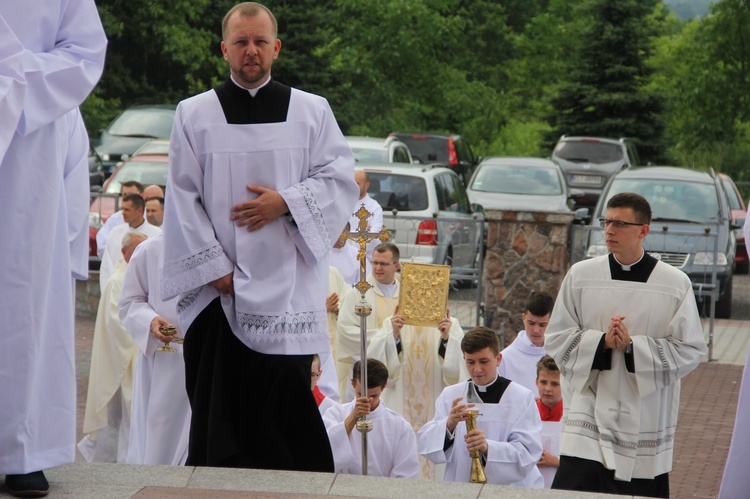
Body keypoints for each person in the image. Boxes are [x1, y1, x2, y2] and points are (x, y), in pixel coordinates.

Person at [159, 2, 358, 471]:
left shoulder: (312, 111)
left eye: (260, 42)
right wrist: (214, 269)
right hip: (218, 293)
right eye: (242, 42)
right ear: (224, 48)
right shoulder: (194, 114)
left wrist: (284, 202)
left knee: (285, 415)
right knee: (218, 412)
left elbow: (340, 180)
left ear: (277, 48)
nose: (251, 51)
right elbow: (182, 197)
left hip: (288, 288)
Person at [0, 3, 106, 496]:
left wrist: (13, 77)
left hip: (30, 142)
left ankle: (24, 449)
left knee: (25, 294)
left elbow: (86, 51)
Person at [546, 192, 707, 497]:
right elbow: (557, 336)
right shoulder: (581, 276)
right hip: (588, 411)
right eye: (606, 222)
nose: (609, 230)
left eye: (619, 224)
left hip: (644, 413)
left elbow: (690, 349)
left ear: (643, 230)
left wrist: (634, 348)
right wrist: (601, 343)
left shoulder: (674, 284)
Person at [417, 327, 544, 487]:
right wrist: (449, 425)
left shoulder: (521, 398)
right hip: (461, 484)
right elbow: (426, 445)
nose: (477, 369)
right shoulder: (451, 395)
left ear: (498, 359)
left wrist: (488, 448)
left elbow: (528, 453)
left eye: (484, 361)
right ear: (464, 358)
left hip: (505, 490)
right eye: (470, 362)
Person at [118, 234, 191, 466]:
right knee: (159, 434)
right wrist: (150, 320)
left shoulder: (222, 247)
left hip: (211, 355)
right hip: (165, 357)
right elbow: (130, 302)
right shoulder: (149, 250)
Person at [79, 232, 148, 464]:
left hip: (132, 356)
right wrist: (147, 329)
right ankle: (120, 460)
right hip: (124, 359)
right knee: (121, 417)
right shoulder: (118, 280)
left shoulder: (133, 275)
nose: (141, 255)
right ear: (124, 252)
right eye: (137, 250)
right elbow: (117, 323)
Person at [323, 359, 419, 478]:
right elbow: (326, 451)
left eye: (373, 395)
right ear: (352, 383)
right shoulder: (335, 414)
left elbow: (406, 473)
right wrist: (353, 416)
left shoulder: (400, 427)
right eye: (360, 394)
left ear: (383, 386)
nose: (367, 401)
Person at [336, 243, 401, 400]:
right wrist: (386, 336)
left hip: (397, 368)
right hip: (366, 370)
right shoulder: (358, 293)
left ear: (396, 266)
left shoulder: (407, 294)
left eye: (384, 264)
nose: (378, 268)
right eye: (375, 262)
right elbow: (345, 331)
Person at [99, 193, 162, 293]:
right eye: (122, 209)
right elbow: (106, 265)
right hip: (117, 290)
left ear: (140, 211)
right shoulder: (115, 233)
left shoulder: (157, 235)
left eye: (127, 210)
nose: (123, 213)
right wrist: (107, 290)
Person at [497, 291, 554, 393]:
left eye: (542, 325)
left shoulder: (559, 354)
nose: (536, 330)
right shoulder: (505, 359)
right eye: (531, 323)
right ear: (523, 318)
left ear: (552, 320)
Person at [96, 181, 157, 257]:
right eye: (124, 195)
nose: (127, 198)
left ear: (142, 196)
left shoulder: (152, 216)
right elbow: (102, 245)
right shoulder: (115, 221)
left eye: (131, 195)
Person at [348, 170, 384, 276]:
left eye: (358, 183)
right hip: (343, 256)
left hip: (365, 260)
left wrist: (349, 239)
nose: (354, 186)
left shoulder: (374, 207)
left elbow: (372, 237)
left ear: (367, 185)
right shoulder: (343, 203)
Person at [535, 355, 562, 489]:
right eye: (543, 382)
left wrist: (556, 461)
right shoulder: (528, 412)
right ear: (536, 382)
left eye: (555, 384)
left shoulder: (572, 415)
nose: (548, 389)